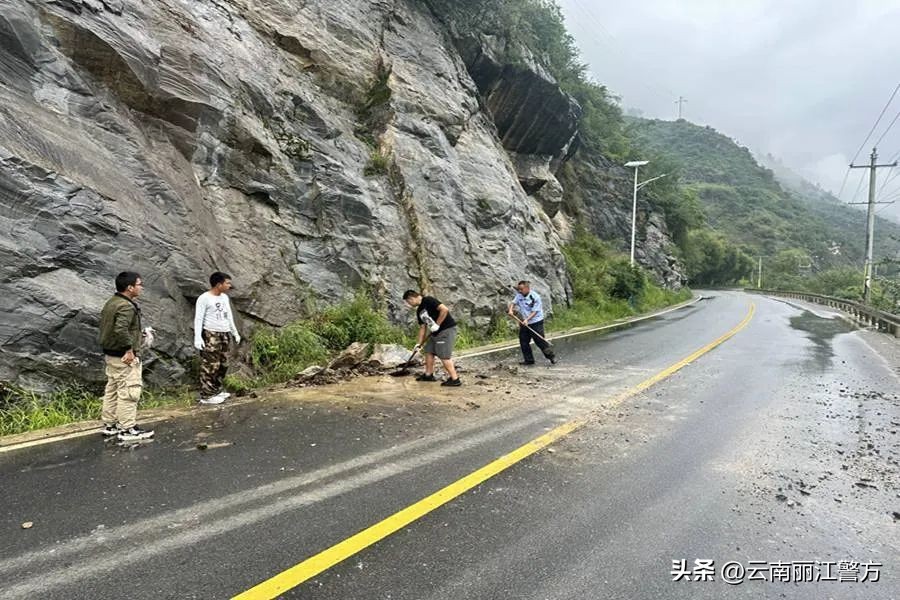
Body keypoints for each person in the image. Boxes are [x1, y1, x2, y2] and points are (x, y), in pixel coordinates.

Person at [98, 271, 155, 441]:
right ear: (130, 287)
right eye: (139, 284)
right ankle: (127, 428)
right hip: (123, 356)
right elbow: (120, 329)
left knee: (113, 389)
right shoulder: (126, 306)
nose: (141, 287)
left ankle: (110, 424)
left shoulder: (112, 302)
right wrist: (129, 349)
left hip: (111, 354)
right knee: (130, 391)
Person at [194, 272, 241, 404]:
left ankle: (217, 390)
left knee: (223, 363)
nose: (229, 285)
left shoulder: (224, 297)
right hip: (211, 333)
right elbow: (198, 318)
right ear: (219, 284)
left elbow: (229, 315)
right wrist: (198, 337)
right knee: (211, 365)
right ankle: (206, 395)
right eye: (227, 283)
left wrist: (234, 332)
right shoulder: (204, 298)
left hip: (224, 332)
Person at [402, 290, 461, 387]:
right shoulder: (419, 311)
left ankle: (455, 379)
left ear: (411, 298)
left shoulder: (428, 300)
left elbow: (444, 309)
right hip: (435, 332)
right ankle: (428, 375)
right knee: (429, 351)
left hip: (446, 330)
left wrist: (437, 324)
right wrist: (419, 344)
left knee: (444, 355)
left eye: (408, 302)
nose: (409, 304)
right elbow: (422, 327)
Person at [508, 280, 556, 366]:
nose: (519, 291)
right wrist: (511, 310)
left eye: (521, 289)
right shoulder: (519, 295)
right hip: (524, 323)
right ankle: (529, 360)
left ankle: (551, 357)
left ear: (527, 288)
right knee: (523, 341)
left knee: (540, 341)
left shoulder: (535, 297)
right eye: (519, 289)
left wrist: (527, 320)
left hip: (536, 322)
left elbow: (535, 311)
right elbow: (513, 302)